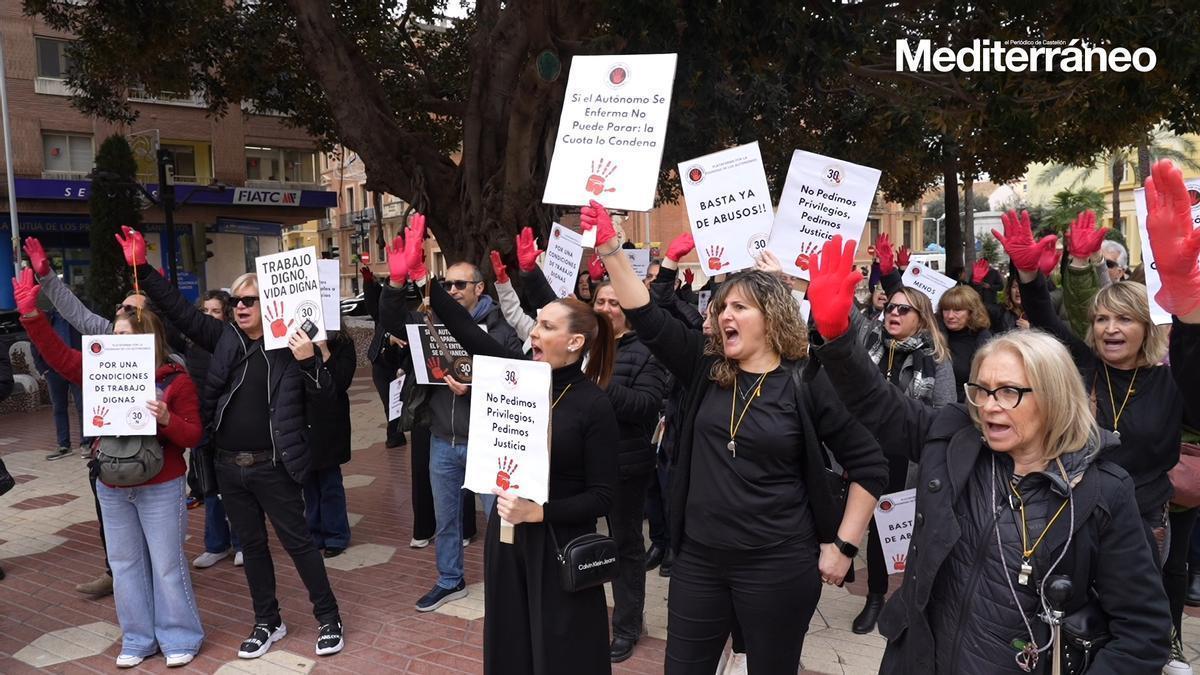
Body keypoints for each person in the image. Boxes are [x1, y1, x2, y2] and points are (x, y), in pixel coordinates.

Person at [804, 233, 1172, 673]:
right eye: (982, 389)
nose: (990, 405)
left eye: (1010, 392)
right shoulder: (957, 438)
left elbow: (1142, 635)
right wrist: (837, 337)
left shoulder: (1103, 492)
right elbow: (877, 405)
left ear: (1054, 395)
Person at [586, 200, 887, 673]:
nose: (724, 313)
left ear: (771, 317)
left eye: (739, 306)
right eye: (722, 305)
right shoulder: (705, 368)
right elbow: (647, 317)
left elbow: (870, 463)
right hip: (699, 562)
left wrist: (844, 545)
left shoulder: (807, 380)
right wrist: (610, 250)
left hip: (778, 565)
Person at [394, 216, 620, 674]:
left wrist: (541, 511)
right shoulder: (519, 377)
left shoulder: (593, 405)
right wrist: (421, 277)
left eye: (548, 328)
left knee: (559, 648)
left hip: (557, 541)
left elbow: (604, 495)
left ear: (575, 342)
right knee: (511, 639)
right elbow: (466, 330)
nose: (534, 333)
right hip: (506, 539)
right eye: (536, 325)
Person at [114, 227, 344, 659]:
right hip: (228, 466)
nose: (239, 306)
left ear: (270, 304)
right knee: (252, 547)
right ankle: (267, 621)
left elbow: (327, 400)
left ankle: (329, 617)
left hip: (274, 465)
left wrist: (309, 361)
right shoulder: (225, 339)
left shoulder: (292, 348)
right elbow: (181, 313)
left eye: (249, 300)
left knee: (298, 544)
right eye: (236, 300)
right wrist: (142, 267)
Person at [15, 270, 206, 668]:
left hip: (161, 485)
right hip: (112, 485)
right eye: (114, 337)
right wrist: (32, 317)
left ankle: (180, 636)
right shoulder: (100, 369)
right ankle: (137, 637)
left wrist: (168, 419)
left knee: (167, 565)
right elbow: (59, 357)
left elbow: (192, 437)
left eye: (126, 338)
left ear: (148, 341)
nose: (116, 344)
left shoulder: (175, 379)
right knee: (124, 565)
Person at [520, 258, 670, 662]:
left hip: (625, 463)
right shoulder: (580, 344)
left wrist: (596, 385)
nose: (606, 309)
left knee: (623, 544)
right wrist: (529, 272)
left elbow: (646, 405)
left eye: (616, 303)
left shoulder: (646, 352)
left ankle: (626, 623)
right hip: (577, 466)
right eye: (601, 301)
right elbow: (552, 311)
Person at [380, 218, 522, 613]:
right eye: (447, 285)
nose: (452, 290)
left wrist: (477, 385)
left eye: (461, 284)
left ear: (480, 288)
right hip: (444, 438)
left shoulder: (502, 328)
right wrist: (395, 285)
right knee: (446, 521)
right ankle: (449, 579)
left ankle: (507, 584)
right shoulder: (430, 322)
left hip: (489, 445)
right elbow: (390, 324)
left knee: (500, 524)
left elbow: (517, 377)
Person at [849, 234, 955, 634]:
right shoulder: (869, 342)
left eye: (903, 309)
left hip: (907, 458)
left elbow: (942, 414)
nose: (893, 313)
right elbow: (845, 319)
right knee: (866, 524)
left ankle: (901, 598)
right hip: (862, 450)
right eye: (890, 307)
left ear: (921, 318)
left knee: (891, 530)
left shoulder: (936, 360)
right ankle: (874, 595)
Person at [22, 237, 115, 598]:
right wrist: (45, 282)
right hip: (107, 458)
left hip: (157, 466)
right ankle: (115, 572)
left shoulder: (168, 363)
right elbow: (77, 316)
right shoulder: (107, 344)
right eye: (121, 312)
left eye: (134, 313)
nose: (124, 318)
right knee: (110, 521)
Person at [188, 291, 243, 570]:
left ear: (226, 315)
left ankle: (242, 542)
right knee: (209, 489)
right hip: (202, 424)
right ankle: (216, 545)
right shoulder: (193, 345)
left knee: (235, 487)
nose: (209, 316)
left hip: (229, 424)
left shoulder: (234, 343)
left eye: (215, 311)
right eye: (205, 311)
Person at [301, 328, 356, 558]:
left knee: (330, 482)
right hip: (304, 420)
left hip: (330, 423)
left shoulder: (342, 343)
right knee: (309, 483)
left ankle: (336, 535)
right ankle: (314, 533)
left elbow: (341, 381)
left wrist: (323, 349)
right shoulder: (294, 342)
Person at [937, 285, 993, 401]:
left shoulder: (982, 339)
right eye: (946, 309)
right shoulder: (935, 334)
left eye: (957, 310)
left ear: (971, 312)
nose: (950, 316)